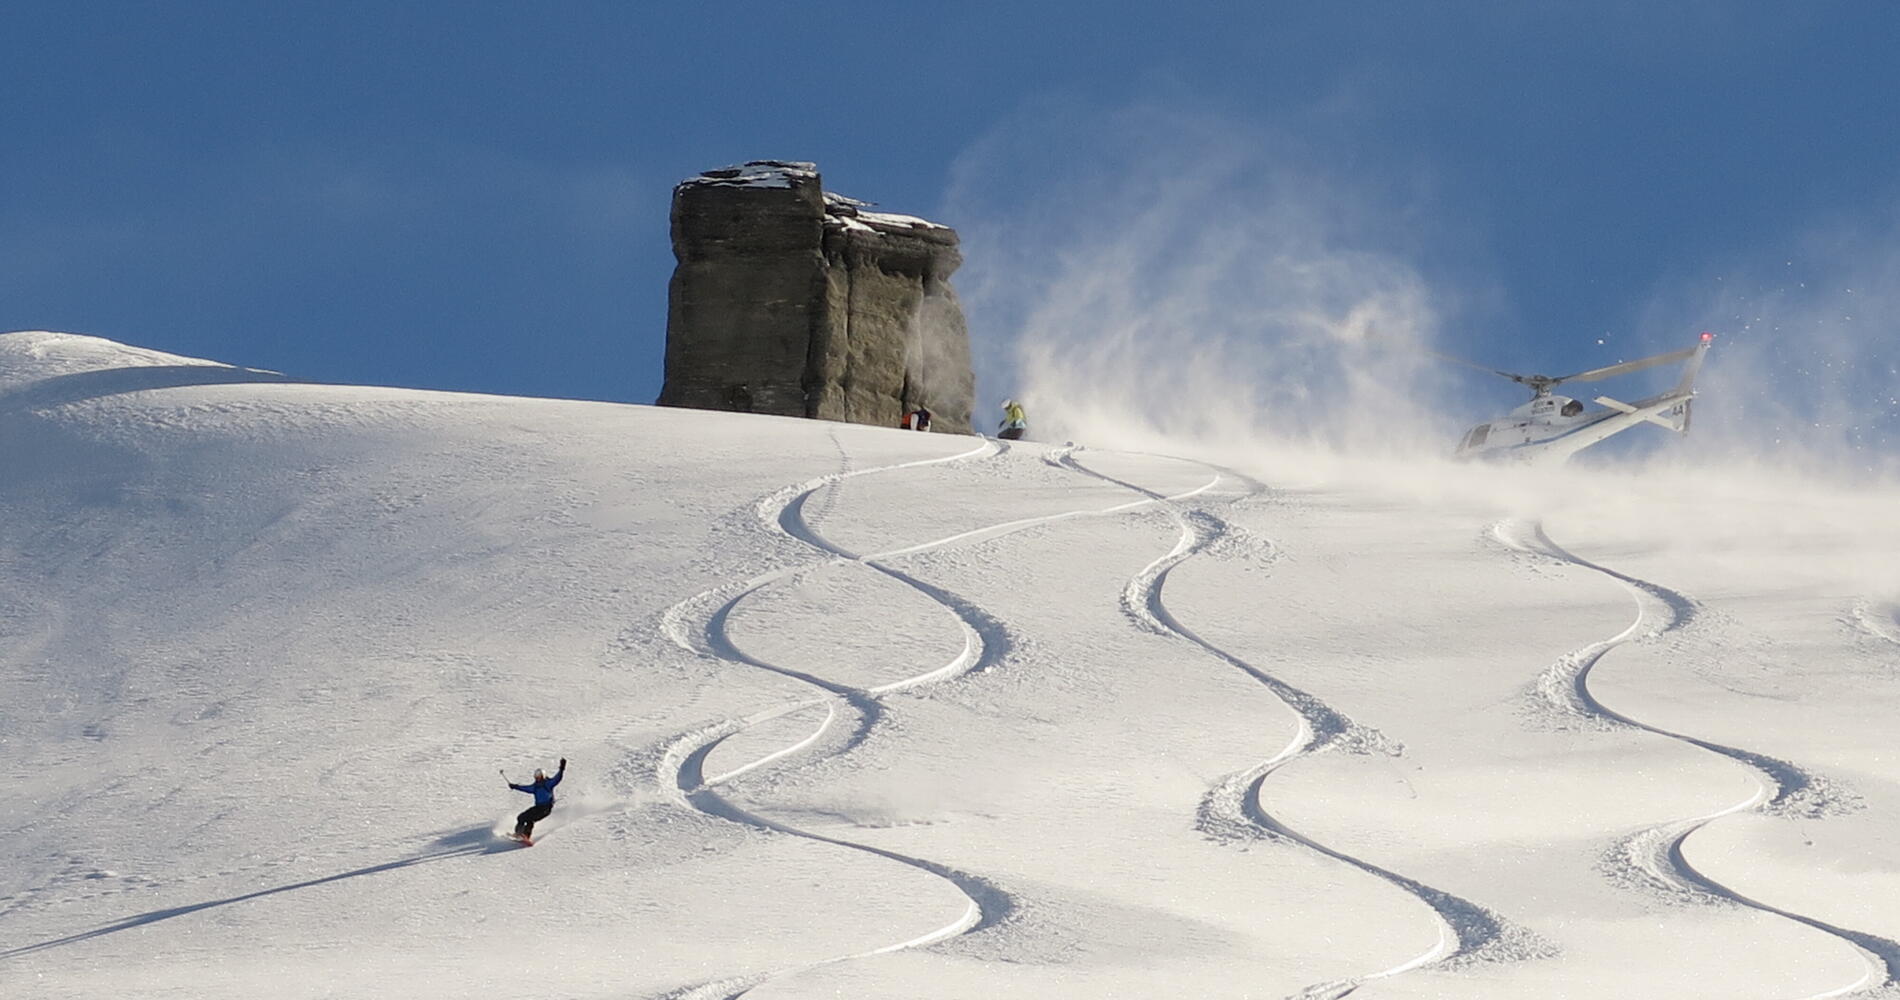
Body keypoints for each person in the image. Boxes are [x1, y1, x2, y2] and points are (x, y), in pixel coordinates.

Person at [506, 757, 566, 840]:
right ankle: (519, 834)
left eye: (539, 777)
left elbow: (557, 778)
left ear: (543, 776)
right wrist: (515, 786)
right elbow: (525, 788)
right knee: (521, 817)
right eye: (536, 777)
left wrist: (561, 769)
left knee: (530, 819)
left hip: (545, 809)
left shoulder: (548, 784)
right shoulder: (535, 787)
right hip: (537, 808)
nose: (537, 779)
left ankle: (525, 835)